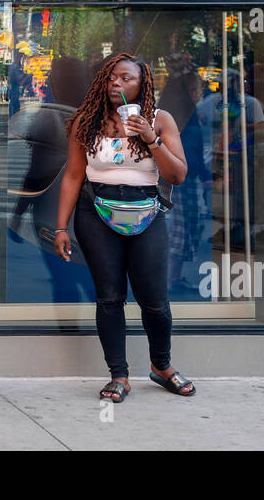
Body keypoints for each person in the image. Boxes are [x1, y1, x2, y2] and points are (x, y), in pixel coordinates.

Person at [53, 53, 192, 403]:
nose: (117, 83)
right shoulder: (86, 121)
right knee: (110, 298)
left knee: (154, 300)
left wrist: (149, 137)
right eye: (112, 77)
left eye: (126, 78)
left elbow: (177, 174)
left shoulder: (160, 120)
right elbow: (72, 176)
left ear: (143, 83)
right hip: (95, 212)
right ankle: (119, 375)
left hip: (146, 211)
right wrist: (60, 227)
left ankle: (161, 366)